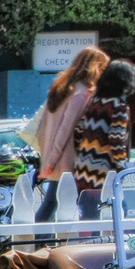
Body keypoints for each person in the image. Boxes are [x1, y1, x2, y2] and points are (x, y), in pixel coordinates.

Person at [34, 45, 109, 222]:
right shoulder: (81, 92)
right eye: (102, 67)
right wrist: (52, 161)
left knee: (51, 202)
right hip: (71, 161)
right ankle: (89, 239)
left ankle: (38, 237)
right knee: (91, 204)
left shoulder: (61, 87)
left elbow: (45, 126)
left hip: (56, 158)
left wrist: (49, 159)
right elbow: (66, 128)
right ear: (94, 67)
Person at [71, 59, 135, 219]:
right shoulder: (119, 107)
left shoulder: (93, 103)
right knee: (120, 212)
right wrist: (122, 166)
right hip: (105, 172)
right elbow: (116, 140)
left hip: (83, 169)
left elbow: (78, 132)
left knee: (88, 216)